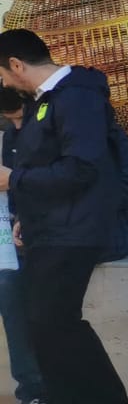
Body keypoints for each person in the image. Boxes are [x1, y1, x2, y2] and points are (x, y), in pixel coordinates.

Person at [0, 29, 128, 404]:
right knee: (43, 327)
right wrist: (27, 212)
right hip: (52, 231)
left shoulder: (76, 98)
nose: (6, 83)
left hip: (73, 234)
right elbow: (52, 166)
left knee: (54, 325)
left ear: (16, 64)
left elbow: (81, 169)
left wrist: (14, 180)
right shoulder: (49, 102)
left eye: (4, 75)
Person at [0, 88, 43, 404]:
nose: (15, 126)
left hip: (14, 247)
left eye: (18, 119)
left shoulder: (35, 130)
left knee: (18, 311)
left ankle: (34, 393)